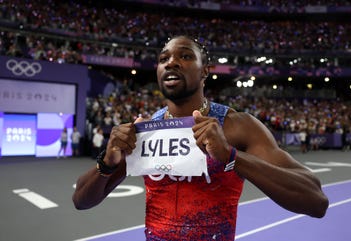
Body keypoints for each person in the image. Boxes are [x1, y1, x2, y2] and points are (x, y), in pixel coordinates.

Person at [73, 35, 328, 240]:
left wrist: (231, 157)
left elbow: (316, 201)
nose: (171, 62)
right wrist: (106, 163)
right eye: (164, 58)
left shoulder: (236, 126)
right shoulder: (147, 130)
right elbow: (81, 201)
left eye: (184, 56)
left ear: (205, 71)